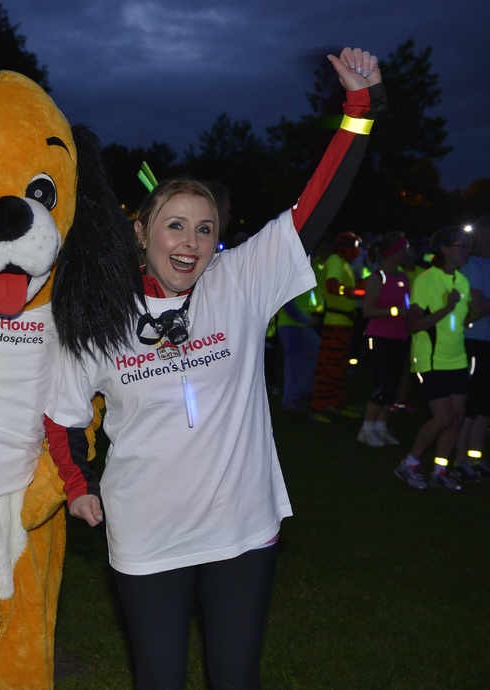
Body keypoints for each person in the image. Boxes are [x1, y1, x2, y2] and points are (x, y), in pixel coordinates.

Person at [44, 47, 383, 689]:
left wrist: (359, 109)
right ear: (141, 233)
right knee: (159, 677)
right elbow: (61, 413)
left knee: (234, 677)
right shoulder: (100, 313)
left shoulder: (238, 282)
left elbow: (314, 209)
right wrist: (77, 483)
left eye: (204, 229)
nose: (191, 242)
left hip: (240, 528)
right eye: (175, 226)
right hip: (147, 531)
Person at [394, 226, 477, 491]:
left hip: (457, 359)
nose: (467, 251)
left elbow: (462, 321)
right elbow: (413, 324)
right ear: (444, 249)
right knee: (442, 418)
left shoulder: (462, 281)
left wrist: (471, 313)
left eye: (468, 247)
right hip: (430, 359)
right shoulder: (426, 280)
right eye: (461, 246)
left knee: (457, 418)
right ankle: (409, 463)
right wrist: (447, 308)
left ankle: (440, 469)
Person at [356, 232, 412, 446]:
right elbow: (368, 310)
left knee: (393, 384)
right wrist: (395, 312)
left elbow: (407, 305)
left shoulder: (403, 278)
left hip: (399, 336)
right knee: (381, 383)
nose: (407, 253)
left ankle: (380, 427)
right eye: (403, 249)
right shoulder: (377, 278)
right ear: (393, 252)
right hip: (379, 337)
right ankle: (367, 429)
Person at [309, 230, 362, 421]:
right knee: (329, 366)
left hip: (344, 323)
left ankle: (333, 404)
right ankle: (318, 407)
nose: (357, 251)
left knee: (339, 368)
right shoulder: (335, 261)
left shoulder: (345, 264)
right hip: (335, 324)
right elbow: (332, 286)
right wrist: (354, 292)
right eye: (355, 247)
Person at [455, 219, 490, 479]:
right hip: (473, 340)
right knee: (470, 403)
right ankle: (459, 460)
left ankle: (474, 458)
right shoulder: (472, 265)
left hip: (486, 342)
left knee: (484, 405)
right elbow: (476, 309)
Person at [276, 284, 324, 413]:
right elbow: (288, 304)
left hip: (300, 325)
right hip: (292, 325)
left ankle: (299, 396)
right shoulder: (294, 278)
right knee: (294, 365)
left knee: (301, 363)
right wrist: (306, 320)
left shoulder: (303, 279)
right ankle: (291, 400)